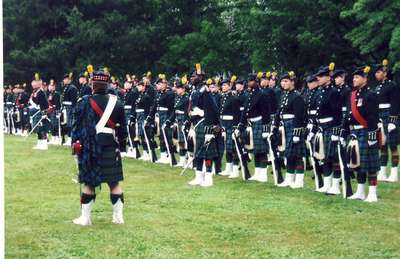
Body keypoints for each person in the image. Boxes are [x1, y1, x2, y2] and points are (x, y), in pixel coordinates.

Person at [71, 69, 127, 225]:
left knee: (89, 183)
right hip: (110, 146)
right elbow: (123, 130)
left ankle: (85, 218)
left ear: (92, 84)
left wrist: (75, 146)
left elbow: (76, 127)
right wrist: (121, 147)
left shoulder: (84, 102)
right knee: (114, 183)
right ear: (107, 84)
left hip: (90, 149)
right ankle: (118, 218)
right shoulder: (117, 102)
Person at [343, 66, 380, 202]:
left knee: (370, 164)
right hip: (354, 131)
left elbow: (373, 117)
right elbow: (348, 114)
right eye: (353, 77)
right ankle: (360, 191)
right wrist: (344, 130)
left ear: (365, 79)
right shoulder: (352, 95)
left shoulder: (370, 95)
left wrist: (372, 135)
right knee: (357, 162)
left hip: (365, 131)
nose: (354, 79)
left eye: (357, 77)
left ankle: (372, 193)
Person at [274, 71, 307, 188]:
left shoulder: (297, 96)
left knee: (297, 155)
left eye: (286, 81)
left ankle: (299, 180)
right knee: (289, 154)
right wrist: (275, 126)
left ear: (292, 82)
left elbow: (299, 116)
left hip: (293, 126)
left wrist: (297, 132)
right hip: (285, 126)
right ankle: (289, 178)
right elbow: (279, 112)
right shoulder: (284, 95)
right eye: (282, 81)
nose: (283, 83)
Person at [373, 59, 400, 182]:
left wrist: (392, 121)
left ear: (385, 72)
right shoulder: (378, 87)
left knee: (393, 146)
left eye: (378, 72)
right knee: (382, 145)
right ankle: (383, 172)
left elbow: (395, 103)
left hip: (389, 116)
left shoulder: (392, 86)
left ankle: (394, 173)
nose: (376, 74)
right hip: (380, 117)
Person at [29, 73, 49, 150]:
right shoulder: (36, 92)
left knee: (42, 128)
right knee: (38, 129)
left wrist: (32, 101)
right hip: (40, 111)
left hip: (42, 112)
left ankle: (44, 145)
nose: (33, 84)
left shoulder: (40, 92)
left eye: (35, 82)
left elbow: (40, 104)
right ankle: (39, 143)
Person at [61, 73, 78, 146]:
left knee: (70, 124)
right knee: (67, 124)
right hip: (66, 108)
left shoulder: (72, 88)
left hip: (70, 108)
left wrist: (72, 110)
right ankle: (68, 138)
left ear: (69, 80)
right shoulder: (66, 87)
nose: (64, 81)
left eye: (65, 79)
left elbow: (73, 101)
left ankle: (70, 139)